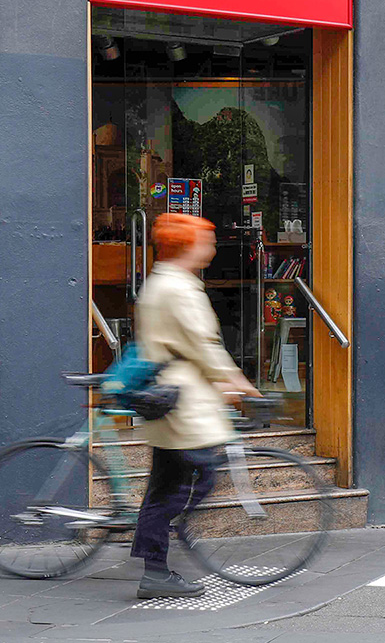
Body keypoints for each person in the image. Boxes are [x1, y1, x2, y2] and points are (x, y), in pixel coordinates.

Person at [132, 213, 260, 599]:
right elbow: (202, 344)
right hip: (185, 406)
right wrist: (238, 382)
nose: (213, 247)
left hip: (171, 401)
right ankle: (159, 551)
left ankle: (154, 563)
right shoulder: (180, 289)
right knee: (194, 482)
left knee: (167, 486)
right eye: (207, 240)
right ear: (188, 245)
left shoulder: (159, 282)